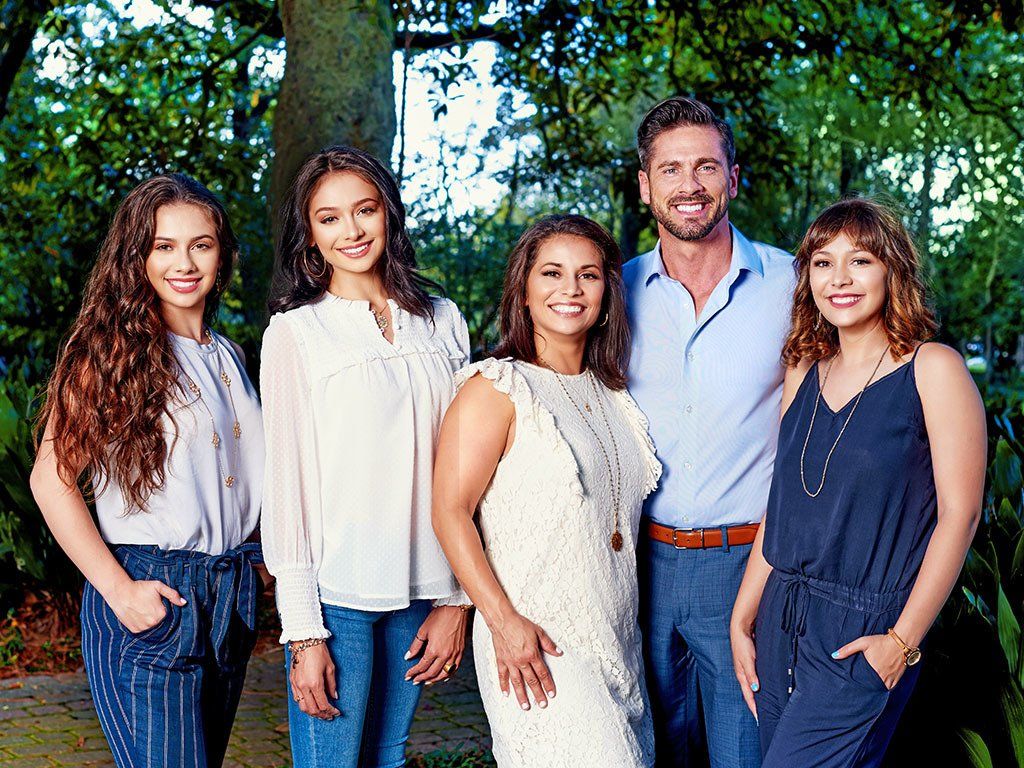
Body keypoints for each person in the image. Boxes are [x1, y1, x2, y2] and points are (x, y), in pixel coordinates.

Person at [729, 198, 985, 767]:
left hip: (863, 628)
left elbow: (960, 515)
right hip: (781, 616)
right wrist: (742, 616)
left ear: (892, 270)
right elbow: (785, 503)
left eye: (860, 261)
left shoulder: (932, 367)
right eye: (823, 262)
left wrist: (901, 643)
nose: (839, 279)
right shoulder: (802, 369)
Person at [30, 174, 266, 768]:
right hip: (151, 589)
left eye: (201, 244)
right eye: (163, 245)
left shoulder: (229, 355)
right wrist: (119, 590)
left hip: (227, 595)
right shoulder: (109, 351)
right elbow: (49, 478)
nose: (183, 262)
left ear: (222, 253)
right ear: (135, 255)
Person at [260, 145, 472, 768]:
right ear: (310, 235)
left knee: (388, 756)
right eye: (329, 218)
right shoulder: (296, 333)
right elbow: (287, 481)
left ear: (389, 215)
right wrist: (303, 633)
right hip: (337, 596)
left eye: (365, 210)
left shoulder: (442, 319)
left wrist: (457, 597)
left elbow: (467, 469)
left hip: (426, 587)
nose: (351, 231)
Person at [432, 214, 662, 767]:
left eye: (588, 275)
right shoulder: (495, 387)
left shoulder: (617, 397)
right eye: (552, 274)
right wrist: (502, 622)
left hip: (616, 639)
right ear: (525, 291)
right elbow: (449, 512)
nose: (571, 290)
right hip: (534, 641)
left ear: (608, 294)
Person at [622, 96, 794, 767]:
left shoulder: (795, 282)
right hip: (638, 565)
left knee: (744, 753)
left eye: (706, 167)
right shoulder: (612, 291)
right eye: (670, 169)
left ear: (733, 176)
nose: (689, 185)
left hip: (750, 562)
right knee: (650, 749)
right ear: (645, 185)